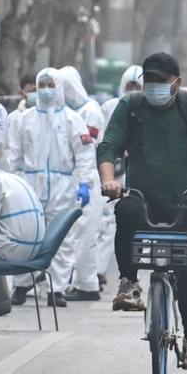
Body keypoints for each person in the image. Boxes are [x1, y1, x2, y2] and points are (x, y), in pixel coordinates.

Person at [98, 52, 187, 370]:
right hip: (142, 198)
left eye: (161, 82)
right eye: (149, 81)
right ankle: (129, 284)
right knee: (125, 211)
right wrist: (109, 180)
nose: (154, 87)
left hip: (186, 202)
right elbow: (109, 146)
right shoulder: (131, 107)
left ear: (177, 83)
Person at [6, 68, 97, 308]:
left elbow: (85, 154)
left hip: (62, 186)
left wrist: (85, 183)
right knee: (25, 236)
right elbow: (13, 154)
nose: (45, 90)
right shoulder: (23, 119)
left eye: (50, 85)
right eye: (41, 85)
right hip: (30, 184)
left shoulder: (71, 119)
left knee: (61, 239)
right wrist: (10, 182)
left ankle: (56, 289)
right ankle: (22, 283)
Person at [55, 66, 107, 301]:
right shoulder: (63, 113)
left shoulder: (90, 111)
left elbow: (88, 149)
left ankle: (88, 284)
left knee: (86, 233)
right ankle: (78, 282)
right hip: (70, 177)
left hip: (87, 177)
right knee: (71, 234)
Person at [95, 65, 142, 285]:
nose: (133, 90)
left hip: (136, 171)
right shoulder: (110, 107)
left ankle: (107, 270)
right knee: (103, 220)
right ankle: (98, 270)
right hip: (110, 171)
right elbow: (105, 140)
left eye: (137, 86)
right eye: (130, 86)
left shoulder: (148, 109)